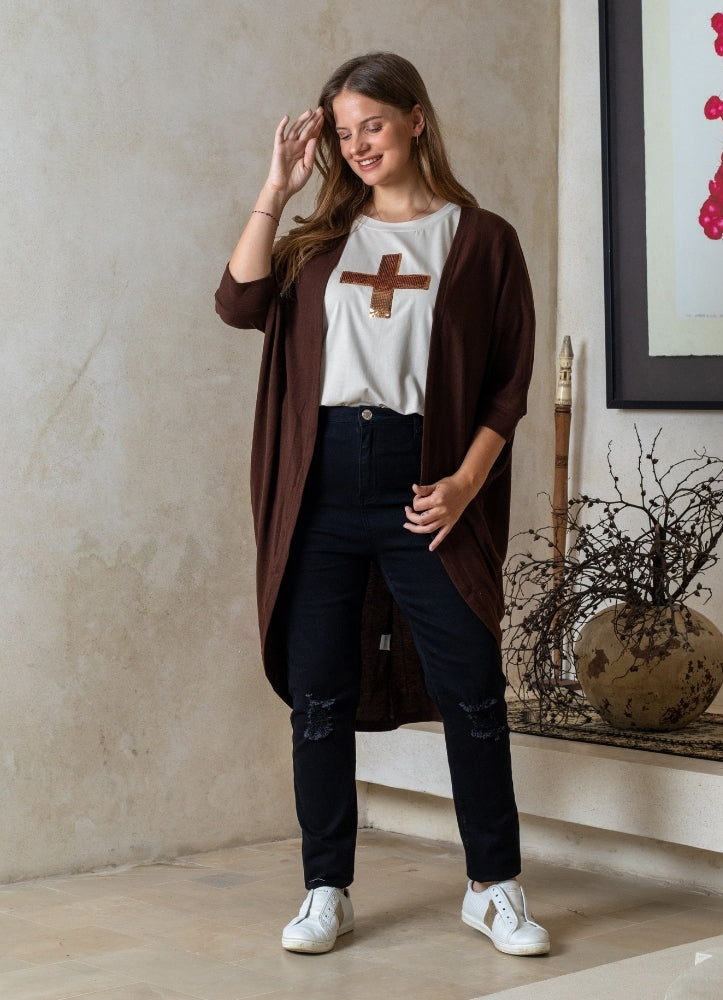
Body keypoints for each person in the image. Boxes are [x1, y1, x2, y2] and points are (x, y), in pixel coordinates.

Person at [215, 51, 549, 959]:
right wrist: (278, 183)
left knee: (473, 687)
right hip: (321, 482)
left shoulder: (481, 239)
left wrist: (470, 480)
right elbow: (237, 301)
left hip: (423, 478)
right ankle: (327, 887)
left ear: (416, 121)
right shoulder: (318, 245)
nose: (359, 144)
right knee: (318, 699)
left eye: (374, 124)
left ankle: (494, 887)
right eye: (345, 131)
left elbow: (509, 383)